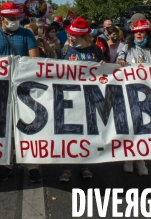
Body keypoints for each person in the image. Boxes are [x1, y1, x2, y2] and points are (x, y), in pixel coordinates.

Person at [0, 1, 41, 183]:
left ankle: (32, 165)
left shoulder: (27, 34)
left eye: (16, 18)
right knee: (5, 126)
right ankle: (6, 164)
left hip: (23, 88)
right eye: (11, 18)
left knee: (29, 124)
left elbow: (34, 59)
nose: (14, 21)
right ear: (2, 18)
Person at [117, 20, 151, 175]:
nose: (139, 34)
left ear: (147, 33)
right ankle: (130, 157)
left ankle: (141, 158)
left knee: (145, 126)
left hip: (149, 94)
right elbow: (117, 61)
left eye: (142, 31)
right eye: (136, 32)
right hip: (130, 91)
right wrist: (120, 62)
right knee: (132, 124)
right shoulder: (126, 47)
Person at [59, 17, 105, 182]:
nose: (71, 38)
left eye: (75, 36)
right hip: (70, 98)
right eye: (70, 35)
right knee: (70, 133)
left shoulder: (96, 51)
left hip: (90, 98)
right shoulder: (65, 51)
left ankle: (86, 165)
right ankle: (66, 168)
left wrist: (102, 67)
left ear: (85, 37)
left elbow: (105, 73)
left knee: (88, 132)